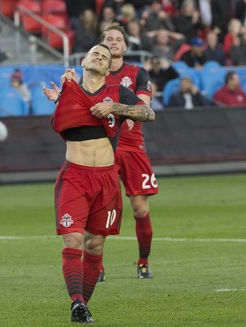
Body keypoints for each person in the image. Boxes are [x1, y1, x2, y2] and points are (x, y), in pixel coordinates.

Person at [43, 43, 155, 323]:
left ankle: (83, 305)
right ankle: (77, 303)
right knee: (74, 239)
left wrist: (114, 107)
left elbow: (149, 113)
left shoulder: (117, 93)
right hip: (75, 177)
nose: (99, 57)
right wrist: (60, 100)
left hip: (106, 179)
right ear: (83, 60)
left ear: (108, 68)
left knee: (94, 247)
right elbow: (66, 120)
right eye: (95, 53)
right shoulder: (70, 91)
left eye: (104, 57)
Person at [100, 21, 158, 281]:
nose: (113, 42)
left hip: (133, 147)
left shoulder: (138, 73)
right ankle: (96, 265)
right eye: (108, 38)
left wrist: (112, 107)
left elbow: (144, 110)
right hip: (103, 149)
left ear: (124, 45)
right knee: (99, 209)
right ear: (102, 45)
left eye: (117, 39)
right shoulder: (93, 74)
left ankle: (143, 262)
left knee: (139, 210)